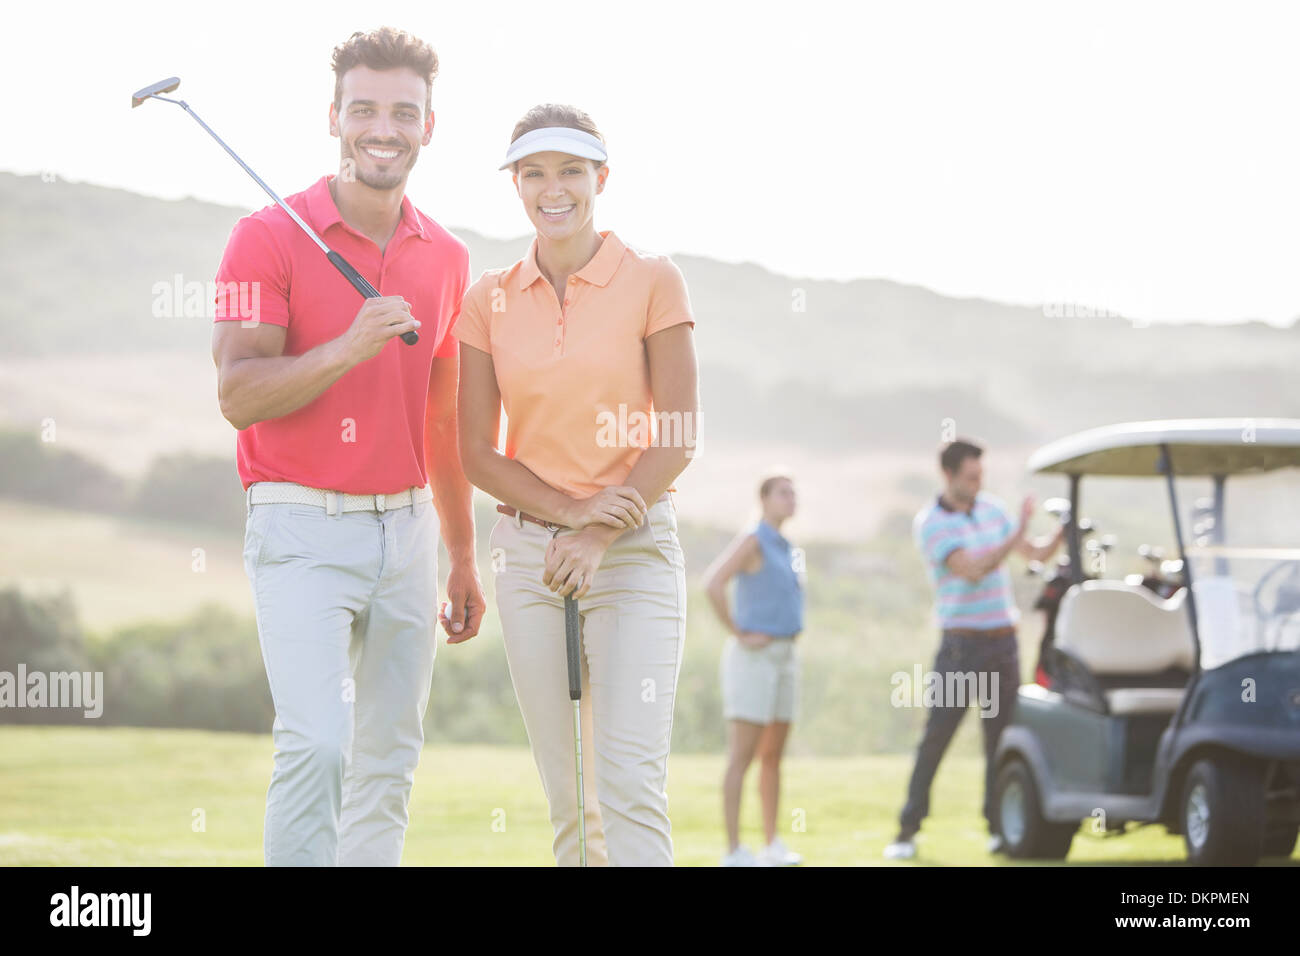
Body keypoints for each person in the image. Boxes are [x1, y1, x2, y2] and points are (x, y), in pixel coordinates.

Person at [212, 27, 485, 866]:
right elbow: (237, 394)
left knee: (388, 760)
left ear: (430, 127)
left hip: (406, 535)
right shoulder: (266, 235)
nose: (384, 128)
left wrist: (462, 554)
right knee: (320, 744)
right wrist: (344, 349)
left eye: (405, 113)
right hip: (299, 524)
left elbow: (441, 421)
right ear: (333, 117)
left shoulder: (447, 256)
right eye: (364, 109)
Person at [454, 105, 699, 866]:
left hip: (632, 555)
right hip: (529, 561)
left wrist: (597, 532)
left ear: (601, 177)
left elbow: (679, 434)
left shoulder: (655, 280)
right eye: (533, 173)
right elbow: (474, 452)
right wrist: (567, 515)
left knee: (626, 783)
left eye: (569, 171)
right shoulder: (487, 297)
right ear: (515, 184)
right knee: (571, 801)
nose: (551, 189)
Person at [883, 439, 1062, 860]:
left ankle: (998, 826)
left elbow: (1033, 552)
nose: (979, 483)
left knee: (1000, 741)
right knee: (938, 737)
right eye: (971, 476)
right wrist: (1015, 533)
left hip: (1003, 643)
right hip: (961, 647)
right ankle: (907, 829)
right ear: (948, 475)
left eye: (981, 475)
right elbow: (974, 569)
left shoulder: (993, 510)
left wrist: (1059, 532)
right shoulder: (932, 523)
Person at [704, 474, 805, 867]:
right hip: (754, 660)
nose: (792, 498)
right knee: (741, 756)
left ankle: (771, 844)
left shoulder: (788, 547)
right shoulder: (753, 539)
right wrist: (739, 633)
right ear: (763, 499)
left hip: (785, 657)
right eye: (783, 492)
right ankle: (733, 851)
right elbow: (713, 584)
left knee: (773, 756)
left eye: (794, 492)